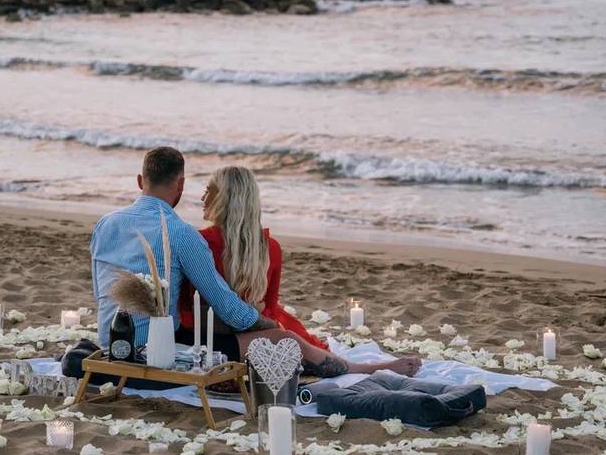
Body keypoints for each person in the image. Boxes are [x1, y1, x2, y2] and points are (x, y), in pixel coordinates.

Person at [176, 166, 420, 378]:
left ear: (225, 199)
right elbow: (269, 306)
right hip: (230, 335)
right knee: (292, 340)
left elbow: (187, 303)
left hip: (225, 332)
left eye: (209, 191)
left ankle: (358, 367)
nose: (202, 197)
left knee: (292, 340)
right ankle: (363, 369)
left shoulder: (204, 243)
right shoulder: (263, 247)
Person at [90, 148, 277, 351]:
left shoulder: (105, 223)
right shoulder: (181, 233)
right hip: (154, 351)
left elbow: (99, 291)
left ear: (139, 181)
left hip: (109, 344)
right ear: (181, 184)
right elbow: (226, 306)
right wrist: (266, 324)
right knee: (279, 339)